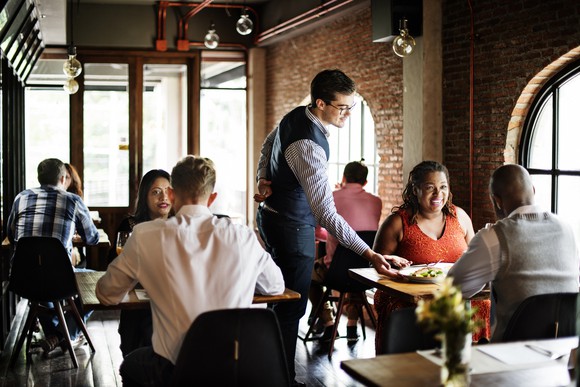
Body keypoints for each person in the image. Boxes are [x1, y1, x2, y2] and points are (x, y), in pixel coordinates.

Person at [254, 69, 409, 385]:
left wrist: (261, 176)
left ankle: (271, 374)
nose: (349, 114)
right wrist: (369, 252)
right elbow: (326, 214)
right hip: (292, 228)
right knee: (290, 308)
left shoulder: (297, 115)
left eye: (352, 106)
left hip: (269, 216)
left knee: (280, 300)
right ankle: (282, 380)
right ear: (320, 103)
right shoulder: (308, 147)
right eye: (343, 107)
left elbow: (268, 143)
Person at [96, 155, 285, 387]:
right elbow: (276, 286)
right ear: (212, 197)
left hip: (178, 373)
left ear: (173, 195)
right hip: (240, 366)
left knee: (130, 364)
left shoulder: (145, 235)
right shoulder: (243, 236)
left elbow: (106, 294)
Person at [448, 164, 580, 341]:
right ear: (533, 190)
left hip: (511, 355)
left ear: (497, 201)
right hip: (564, 352)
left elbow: (454, 287)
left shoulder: (494, 237)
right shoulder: (567, 229)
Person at [372, 160, 489, 354]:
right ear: (415, 190)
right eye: (429, 188)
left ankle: (474, 368)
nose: (438, 194)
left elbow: (475, 258)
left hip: (456, 292)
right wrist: (388, 261)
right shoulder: (397, 222)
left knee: (484, 303)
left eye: (443, 187)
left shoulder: (459, 217)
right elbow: (375, 263)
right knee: (401, 308)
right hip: (408, 296)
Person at [7, 158, 100, 356]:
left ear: (39, 178)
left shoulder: (21, 197)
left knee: (43, 287)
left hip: (21, 278)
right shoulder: (73, 200)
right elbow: (92, 238)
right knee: (97, 283)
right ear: (63, 177)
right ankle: (63, 335)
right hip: (59, 280)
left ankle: (55, 335)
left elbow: (11, 233)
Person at [308, 160, 382, 342]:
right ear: (365, 182)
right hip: (366, 273)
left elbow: (318, 232)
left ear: (343, 177)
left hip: (336, 273)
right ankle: (351, 325)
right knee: (356, 270)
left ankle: (328, 323)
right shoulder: (376, 202)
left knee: (308, 275)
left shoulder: (331, 197)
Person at [107, 169, 172, 358]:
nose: (163, 197)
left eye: (168, 190)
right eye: (156, 192)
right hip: (136, 302)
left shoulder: (180, 225)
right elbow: (112, 264)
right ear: (145, 196)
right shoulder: (130, 225)